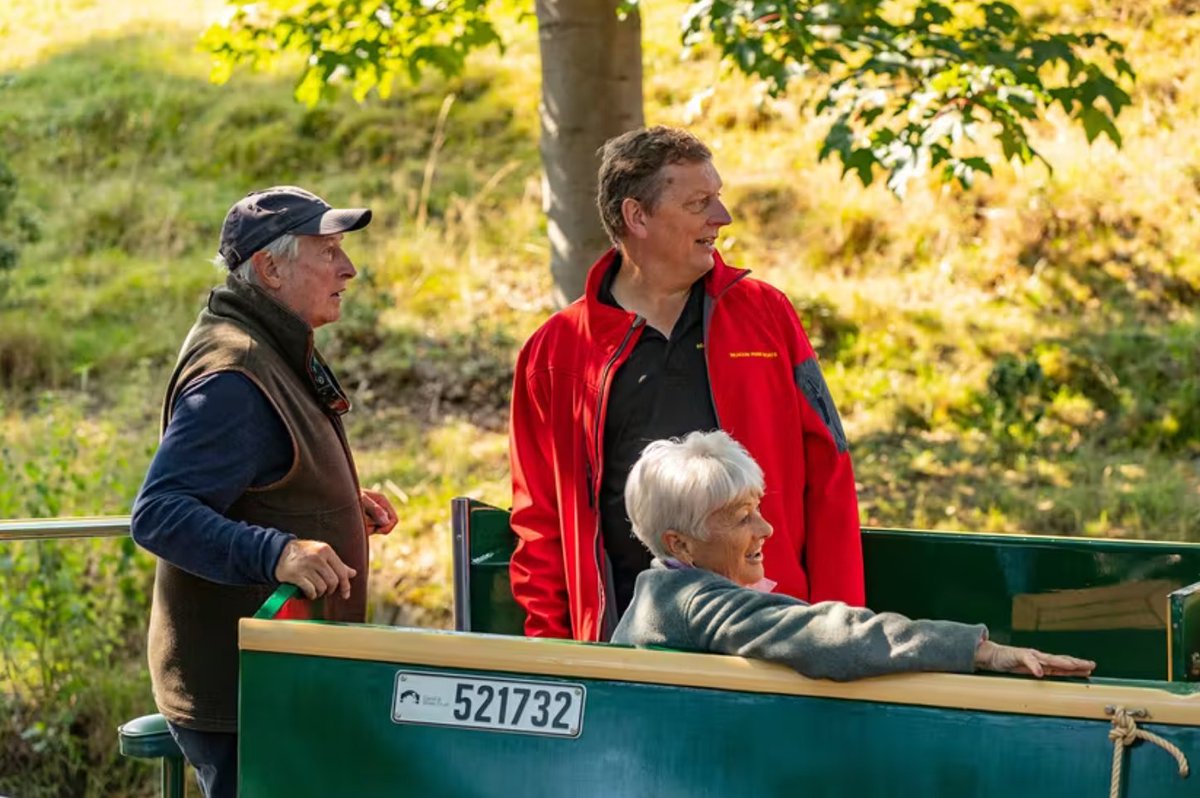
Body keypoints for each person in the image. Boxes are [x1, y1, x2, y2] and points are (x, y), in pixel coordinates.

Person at [509, 125, 863, 642]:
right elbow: (539, 525)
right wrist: (554, 655)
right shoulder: (556, 352)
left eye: (717, 197)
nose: (722, 216)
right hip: (624, 643)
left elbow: (830, 474)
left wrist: (838, 629)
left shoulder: (768, 315)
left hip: (774, 631)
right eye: (700, 203)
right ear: (637, 217)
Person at [130, 185, 398, 798]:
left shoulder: (264, 340)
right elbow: (160, 514)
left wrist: (327, 505)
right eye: (328, 251)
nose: (349, 268)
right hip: (244, 697)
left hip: (272, 684)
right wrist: (278, 551)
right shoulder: (235, 370)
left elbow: (253, 473)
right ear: (271, 269)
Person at [612, 431, 1097, 681]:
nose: (766, 529)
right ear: (680, 544)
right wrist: (980, 650)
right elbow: (827, 637)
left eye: (757, 510)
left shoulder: (666, 591)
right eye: (741, 518)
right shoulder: (690, 601)